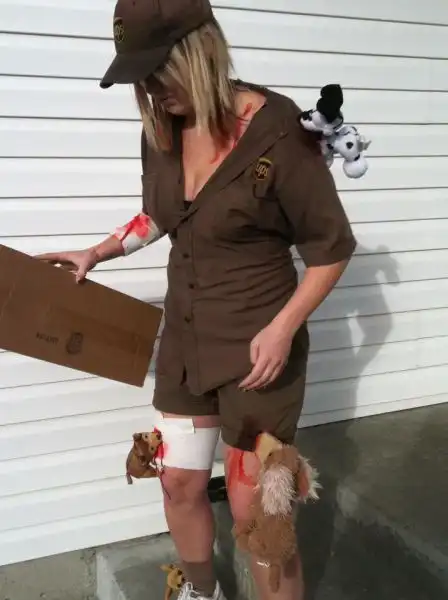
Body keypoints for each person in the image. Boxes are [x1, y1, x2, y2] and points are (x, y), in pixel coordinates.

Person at [37, 1, 357, 598]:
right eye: (142, 78)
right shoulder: (161, 127)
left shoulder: (280, 132)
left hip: (258, 354)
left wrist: (285, 327)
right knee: (178, 482)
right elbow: (161, 214)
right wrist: (97, 252)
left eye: (160, 71)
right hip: (185, 344)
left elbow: (331, 248)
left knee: (257, 512)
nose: (152, 91)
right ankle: (200, 591)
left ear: (199, 52)